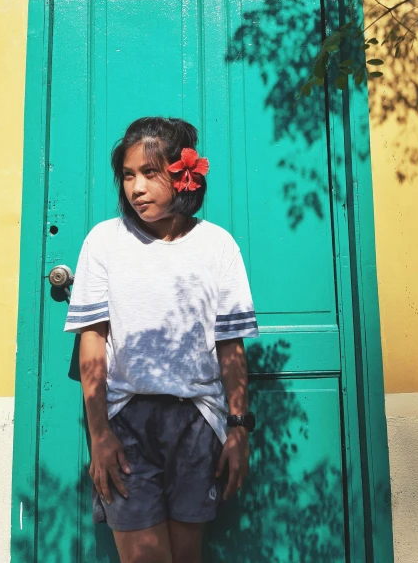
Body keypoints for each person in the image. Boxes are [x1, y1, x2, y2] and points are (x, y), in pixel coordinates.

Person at [64, 117, 258, 563]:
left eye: (150, 173)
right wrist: (100, 435)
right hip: (126, 425)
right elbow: (92, 345)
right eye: (129, 175)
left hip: (197, 423)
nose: (137, 188)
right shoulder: (104, 242)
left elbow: (231, 347)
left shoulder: (218, 246)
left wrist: (238, 429)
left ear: (182, 175)